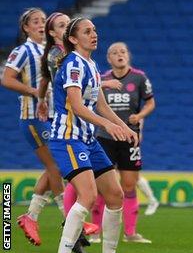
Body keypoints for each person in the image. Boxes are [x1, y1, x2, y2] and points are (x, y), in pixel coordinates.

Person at [47, 17, 138, 253]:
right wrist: (107, 127)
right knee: (87, 196)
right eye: (87, 31)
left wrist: (124, 126)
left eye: (94, 30)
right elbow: (76, 106)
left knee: (115, 195)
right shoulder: (73, 64)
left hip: (87, 139)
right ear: (74, 39)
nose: (94, 34)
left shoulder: (92, 65)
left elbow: (102, 106)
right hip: (67, 137)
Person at [1, 8, 65, 246]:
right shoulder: (23, 50)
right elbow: (6, 79)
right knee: (57, 166)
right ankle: (68, 218)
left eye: (42, 20)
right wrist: (34, 92)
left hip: (51, 117)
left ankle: (31, 217)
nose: (40, 24)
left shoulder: (50, 51)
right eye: (34, 21)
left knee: (52, 168)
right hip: (33, 118)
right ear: (26, 28)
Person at [37, 11, 98, 252]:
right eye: (61, 26)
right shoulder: (62, 57)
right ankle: (62, 229)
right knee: (62, 174)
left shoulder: (85, 62)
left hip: (82, 132)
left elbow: (45, 81)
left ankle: (73, 230)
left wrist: (41, 97)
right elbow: (74, 99)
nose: (94, 35)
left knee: (89, 187)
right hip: (67, 128)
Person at [88, 42, 156, 244]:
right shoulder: (102, 79)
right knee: (102, 186)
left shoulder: (139, 77)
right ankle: (95, 232)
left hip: (129, 136)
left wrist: (140, 115)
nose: (120, 55)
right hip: (105, 137)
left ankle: (130, 233)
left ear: (129, 55)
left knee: (129, 184)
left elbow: (151, 101)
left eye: (123, 51)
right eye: (114, 53)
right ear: (108, 59)